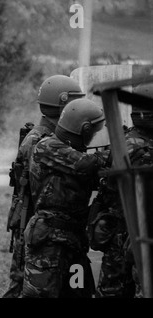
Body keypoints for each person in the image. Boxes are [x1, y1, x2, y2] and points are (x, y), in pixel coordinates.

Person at [3, 75, 85, 298]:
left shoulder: (47, 136)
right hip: (32, 220)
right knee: (22, 285)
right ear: (64, 104)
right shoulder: (40, 139)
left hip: (34, 221)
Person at [22, 98, 111, 298]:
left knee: (78, 294)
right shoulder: (48, 146)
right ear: (85, 129)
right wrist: (118, 150)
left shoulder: (69, 150)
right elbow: (84, 165)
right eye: (93, 132)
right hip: (49, 242)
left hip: (72, 241)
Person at [88, 83, 153, 298]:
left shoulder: (122, 142)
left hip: (115, 231)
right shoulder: (145, 149)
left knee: (111, 291)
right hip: (136, 234)